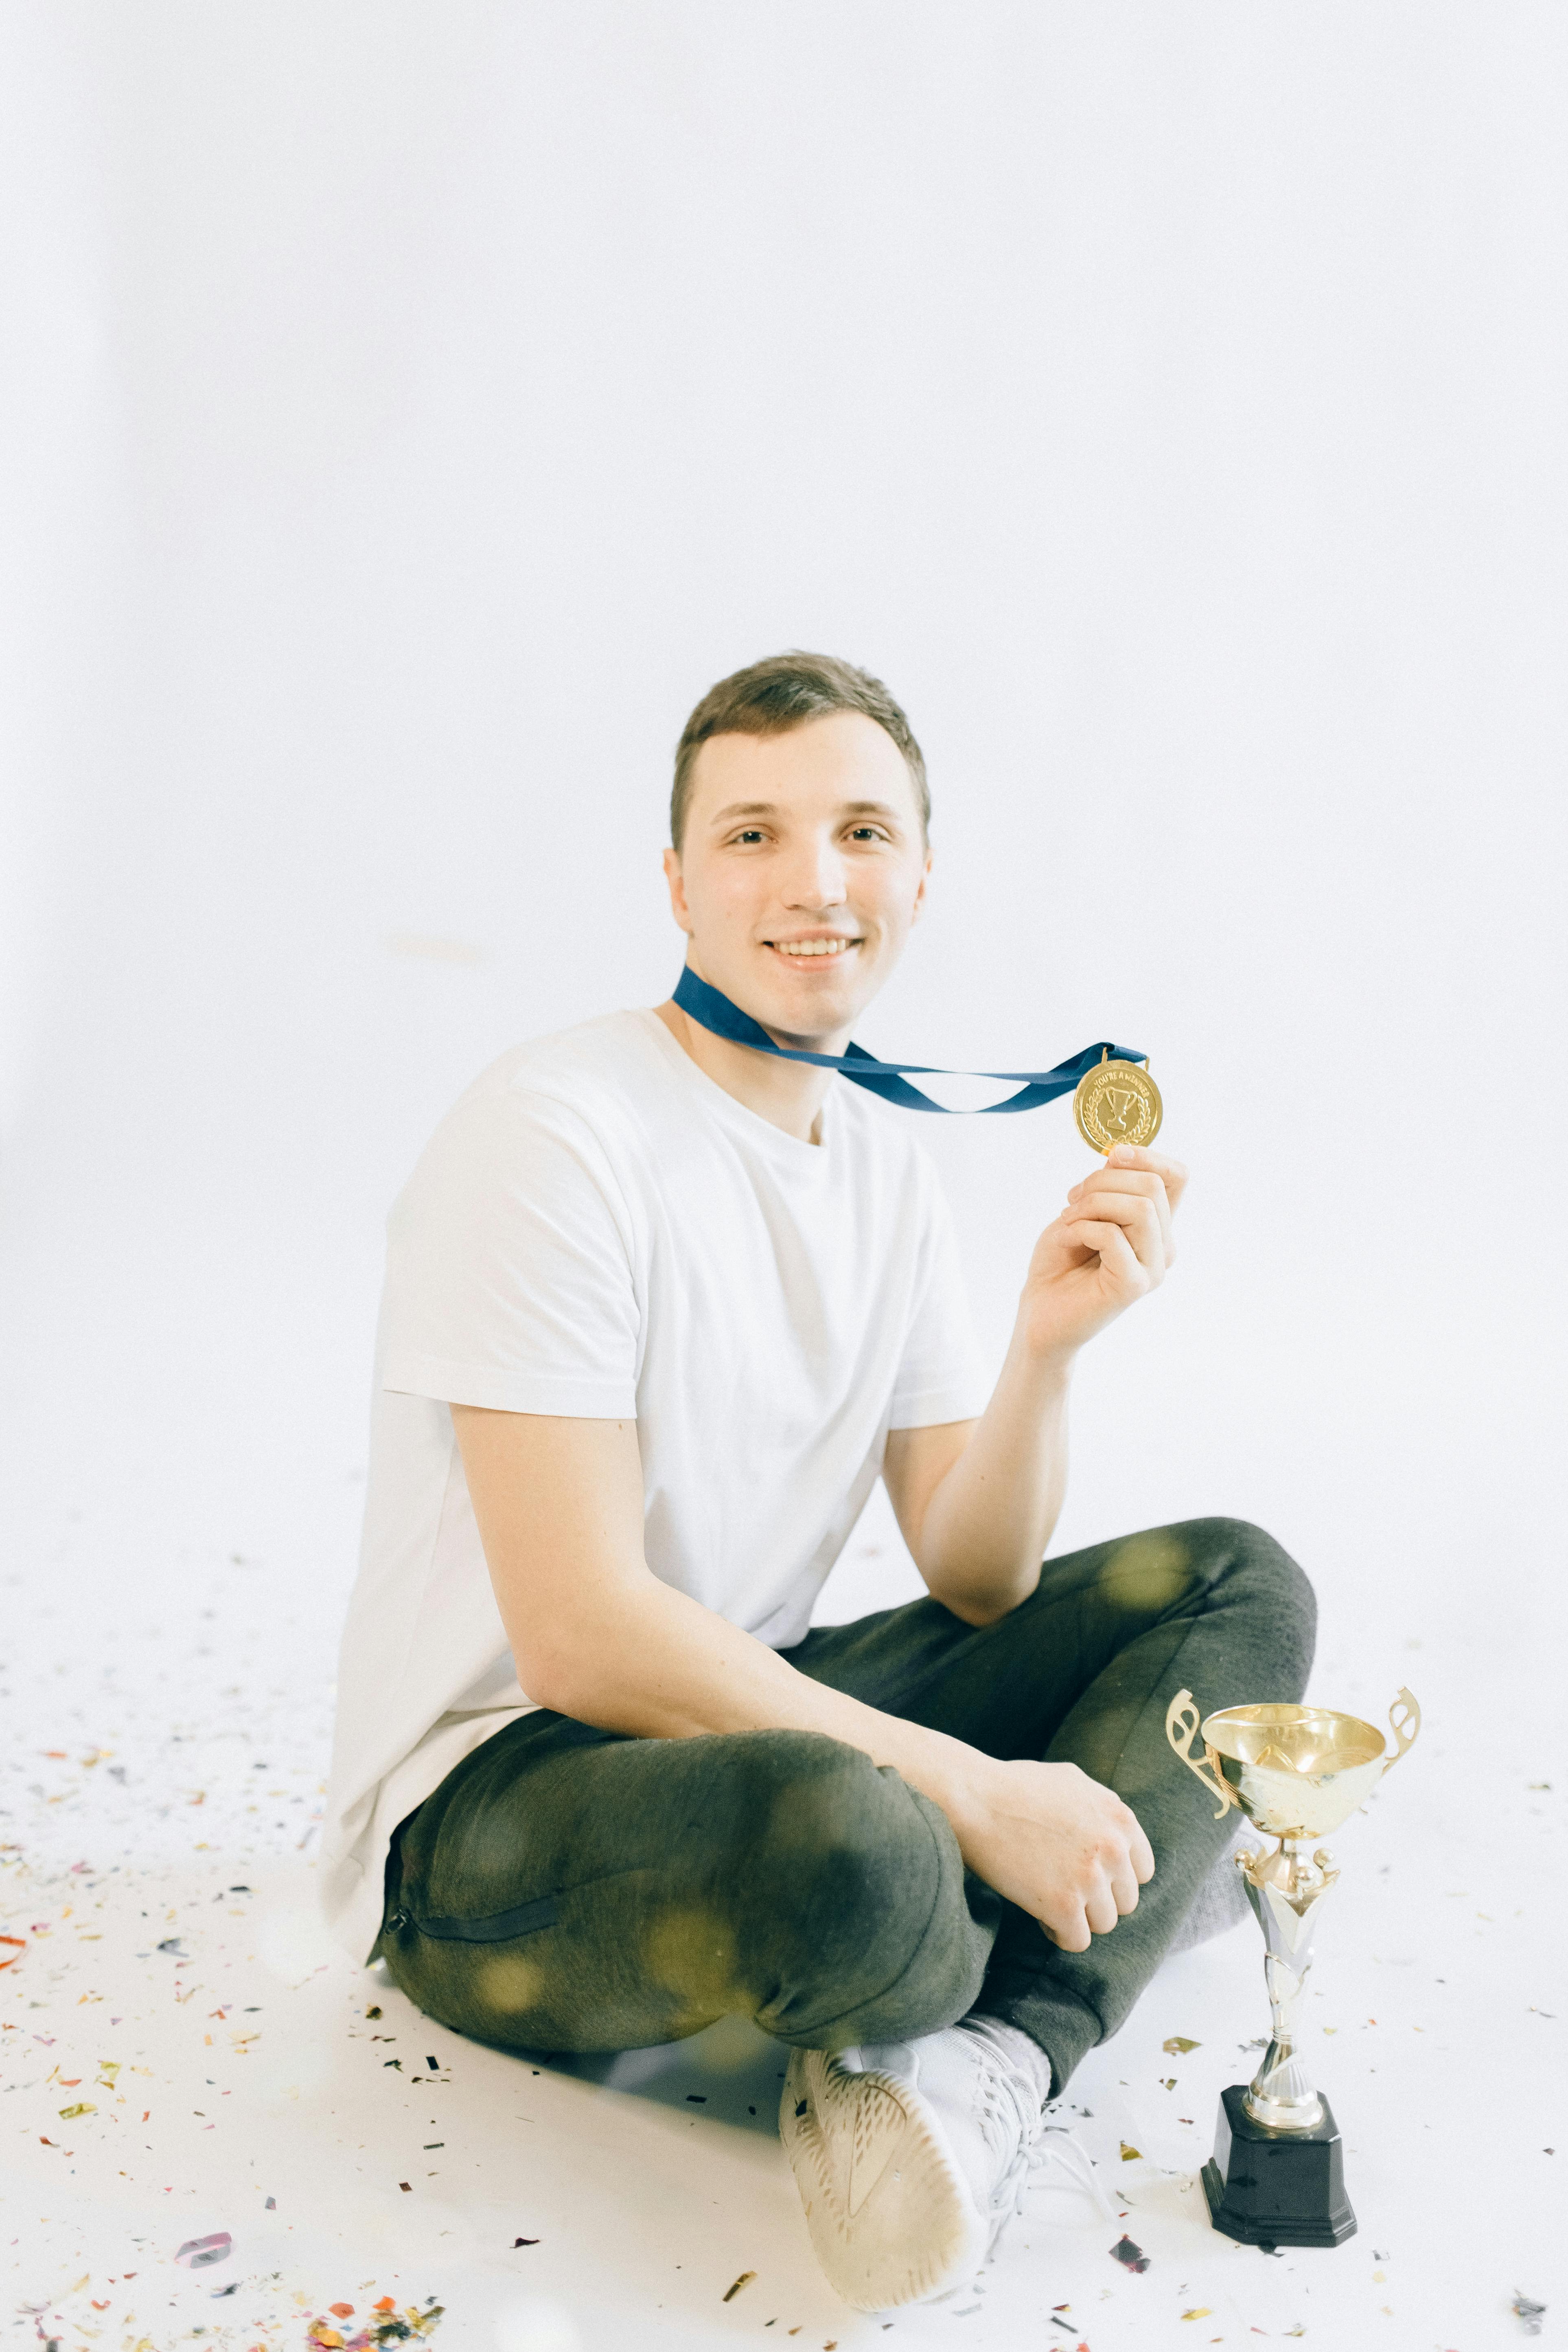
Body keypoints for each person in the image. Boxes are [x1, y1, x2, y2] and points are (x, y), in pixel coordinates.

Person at [321, 650, 1314, 2313]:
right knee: (867, 1837)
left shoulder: (888, 1173)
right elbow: (577, 1636)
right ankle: (1103, 1872)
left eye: (862, 829)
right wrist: (977, 1790)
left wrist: (1045, 1350)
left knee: (1238, 1581)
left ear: (921, 873)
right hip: (501, 1811)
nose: (815, 880)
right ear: (679, 882)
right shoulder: (556, 1131)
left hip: (762, 1707)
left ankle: (986, 2053)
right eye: (755, 834)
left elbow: (977, 1571)